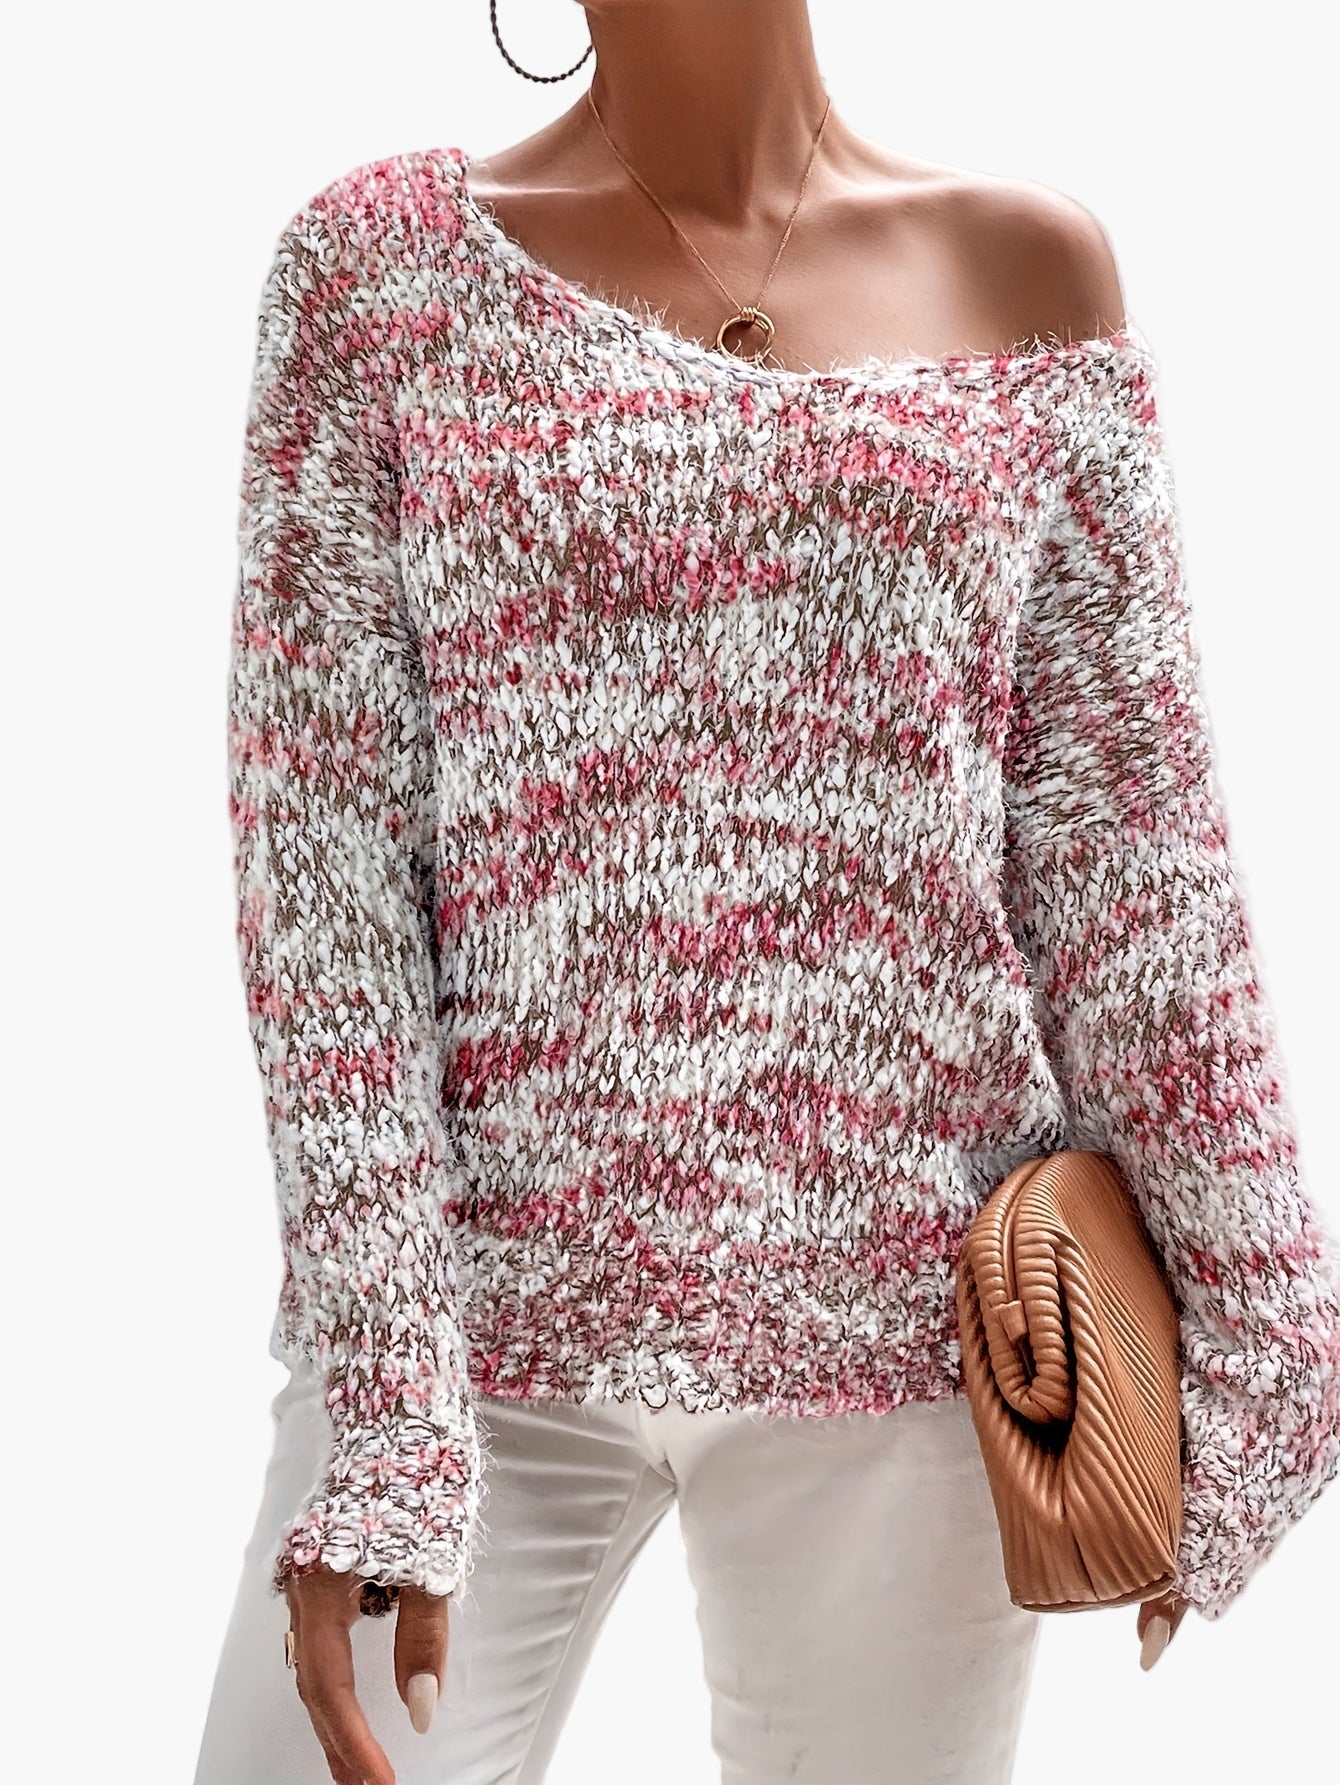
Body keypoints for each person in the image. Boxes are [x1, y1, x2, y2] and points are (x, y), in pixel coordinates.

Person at [193, 3, 1340, 1782]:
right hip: (476, 1339)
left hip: (913, 1340)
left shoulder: (1025, 270)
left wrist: (1271, 1330)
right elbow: (322, 874)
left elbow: (1131, 865)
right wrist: (392, 1412)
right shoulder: (377, 280)